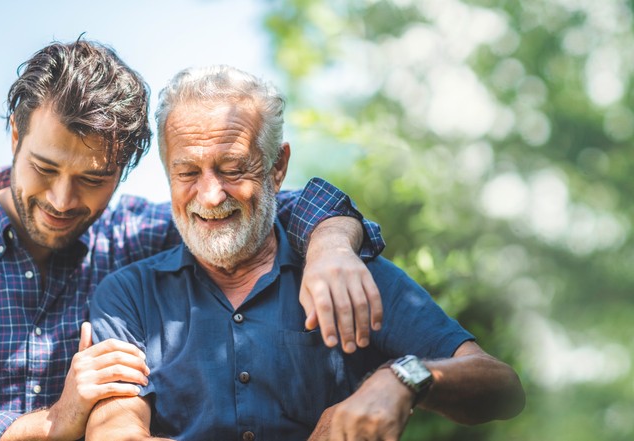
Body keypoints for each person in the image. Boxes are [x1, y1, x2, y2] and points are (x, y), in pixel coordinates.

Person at [0, 39, 388, 441]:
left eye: (92, 179)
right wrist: (45, 425)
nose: (62, 200)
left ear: (125, 171)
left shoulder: (140, 235)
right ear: (15, 135)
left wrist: (331, 244)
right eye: (43, 168)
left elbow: (258, 205)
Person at [86, 65, 526, 441]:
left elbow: (501, 387)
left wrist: (403, 378)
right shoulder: (129, 294)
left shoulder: (347, 273)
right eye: (187, 172)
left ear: (277, 167)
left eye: (233, 168)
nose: (211, 195)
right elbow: (113, 430)